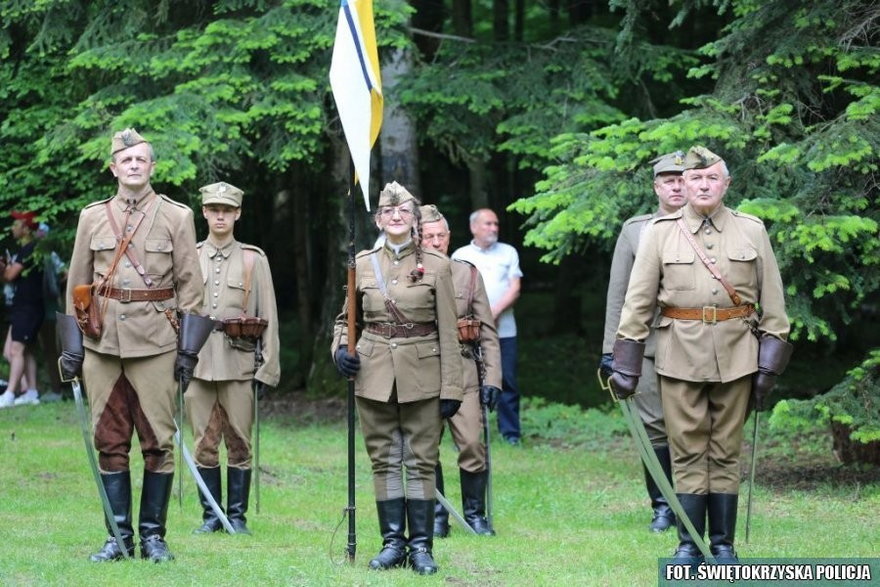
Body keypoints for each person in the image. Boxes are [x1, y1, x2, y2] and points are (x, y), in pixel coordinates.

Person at [612, 146, 792, 564]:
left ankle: (724, 545)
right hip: (678, 355)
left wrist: (770, 364)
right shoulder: (659, 231)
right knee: (687, 448)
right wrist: (625, 362)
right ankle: (689, 543)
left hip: (738, 356)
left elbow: (774, 304)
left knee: (726, 449)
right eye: (695, 179)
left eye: (712, 178)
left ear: (726, 184)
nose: (704, 185)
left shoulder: (752, 230)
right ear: (683, 185)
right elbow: (637, 302)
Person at [62, 128, 204, 563]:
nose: (134, 165)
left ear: (152, 166)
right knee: (109, 439)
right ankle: (118, 538)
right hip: (102, 346)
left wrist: (188, 350)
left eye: (141, 159)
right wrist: (71, 346)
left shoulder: (176, 216)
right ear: (113, 168)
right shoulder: (92, 217)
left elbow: (191, 287)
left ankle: (154, 537)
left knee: (159, 441)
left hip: (157, 345)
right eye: (126, 160)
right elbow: (76, 283)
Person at [330, 182, 463, 575]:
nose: (396, 216)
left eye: (403, 210)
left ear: (414, 217)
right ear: (378, 218)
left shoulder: (438, 266)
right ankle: (392, 543)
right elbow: (346, 320)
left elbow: (449, 332)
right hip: (372, 375)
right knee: (385, 461)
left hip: (424, 374)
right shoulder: (363, 262)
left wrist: (452, 387)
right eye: (388, 211)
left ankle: (421, 547)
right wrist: (340, 350)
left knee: (421, 462)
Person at [185, 181, 280, 535]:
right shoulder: (191, 257)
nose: (220, 216)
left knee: (240, 440)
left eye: (227, 210)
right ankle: (212, 518)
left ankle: (236, 517)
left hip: (239, 362)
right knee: (203, 442)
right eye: (214, 209)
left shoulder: (254, 259)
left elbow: (268, 314)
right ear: (205, 213)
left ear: (237, 214)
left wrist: (268, 367)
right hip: (198, 363)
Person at [600, 151, 686, 533]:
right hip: (647, 344)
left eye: (683, 179)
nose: (677, 186)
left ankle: (692, 499)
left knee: (692, 424)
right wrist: (610, 350)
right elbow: (618, 294)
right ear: (656, 186)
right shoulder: (636, 230)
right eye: (669, 180)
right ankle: (663, 505)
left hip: (694, 341)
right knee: (653, 426)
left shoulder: (709, 226)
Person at [418, 204, 502, 537]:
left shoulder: (468, 274)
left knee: (471, 443)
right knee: (425, 447)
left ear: (449, 237)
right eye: (428, 236)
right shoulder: (410, 277)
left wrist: (493, 378)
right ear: (417, 239)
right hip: (423, 373)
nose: (436, 242)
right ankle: (437, 516)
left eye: (440, 236)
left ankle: (474, 514)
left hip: (465, 374)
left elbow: (488, 332)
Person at [451, 209, 523, 445]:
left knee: (507, 380)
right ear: (474, 227)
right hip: (469, 332)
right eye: (487, 224)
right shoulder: (461, 255)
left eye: (495, 224)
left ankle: (511, 433)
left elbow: (515, 288)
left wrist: (493, 313)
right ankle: (471, 431)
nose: (493, 228)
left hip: (505, 330)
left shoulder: (508, 252)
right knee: (470, 381)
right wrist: (478, 317)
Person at [0, 211, 45, 408]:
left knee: (16, 350)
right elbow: (8, 276)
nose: (12, 228)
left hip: (29, 307)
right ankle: (31, 392)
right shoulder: (24, 250)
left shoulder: (31, 248)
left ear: (26, 228)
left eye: (16, 224)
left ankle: (9, 394)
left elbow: (9, 276)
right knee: (17, 352)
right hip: (22, 307)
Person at [36, 222, 66, 402]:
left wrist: (57, 290)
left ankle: (58, 389)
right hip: (45, 308)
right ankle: (58, 388)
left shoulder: (46, 256)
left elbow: (66, 273)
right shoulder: (41, 256)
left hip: (49, 308)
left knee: (53, 349)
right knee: (51, 349)